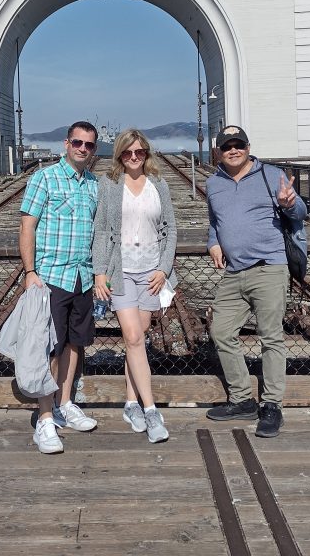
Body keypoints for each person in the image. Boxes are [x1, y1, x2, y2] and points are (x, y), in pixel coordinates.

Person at [204, 125, 306, 438]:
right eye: (227, 146)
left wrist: (289, 202)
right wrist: (214, 241)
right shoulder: (213, 183)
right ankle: (242, 399)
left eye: (239, 144)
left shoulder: (271, 174)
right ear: (219, 151)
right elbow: (215, 221)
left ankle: (272, 405)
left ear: (248, 147)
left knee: (270, 336)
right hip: (234, 271)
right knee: (221, 331)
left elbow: (301, 212)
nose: (233, 150)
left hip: (269, 268)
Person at [19, 120, 100, 454]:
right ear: (67, 144)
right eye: (78, 143)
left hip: (82, 276)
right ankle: (45, 418)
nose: (83, 149)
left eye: (89, 145)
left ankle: (65, 404)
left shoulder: (94, 184)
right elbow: (27, 226)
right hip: (52, 276)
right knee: (50, 347)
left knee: (75, 344)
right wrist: (29, 271)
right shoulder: (44, 178)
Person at [92, 129, 177, 444]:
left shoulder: (160, 185)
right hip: (122, 271)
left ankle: (130, 403)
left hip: (151, 273)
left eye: (139, 152)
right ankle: (151, 409)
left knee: (136, 341)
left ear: (146, 154)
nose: (133, 157)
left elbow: (170, 228)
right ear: (119, 155)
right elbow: (101, 229)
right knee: (133, 336)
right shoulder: (110, 184)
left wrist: (164, 269)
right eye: (127, 153)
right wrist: (100, 272)